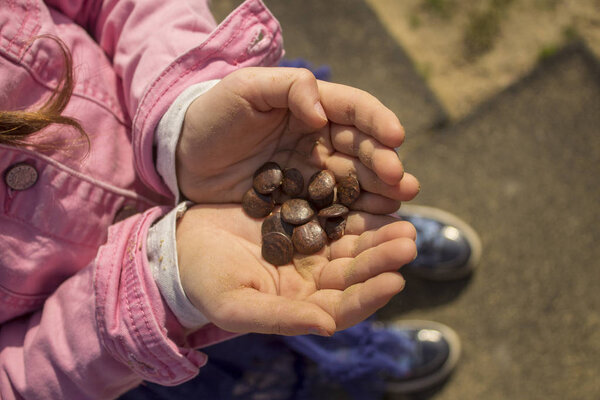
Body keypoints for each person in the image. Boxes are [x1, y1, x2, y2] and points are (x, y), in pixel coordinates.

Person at [0, 0, 480, 399]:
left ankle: (375, 224)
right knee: (286, 325)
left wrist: (184, 110)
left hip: (220, 143)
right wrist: (163, 285)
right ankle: (350, 360)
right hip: (139, 322)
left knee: (348, 201)